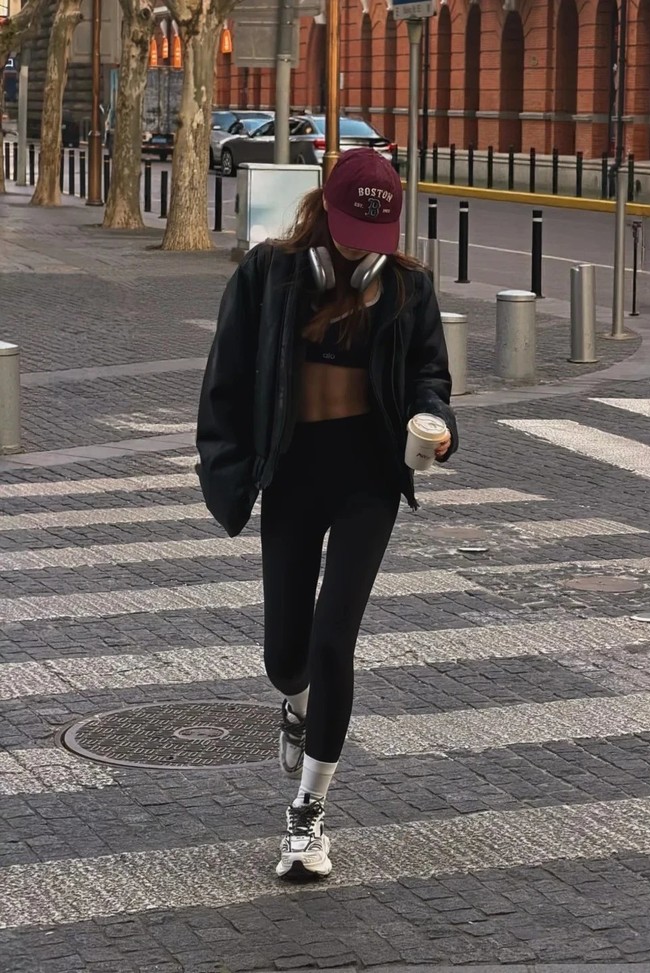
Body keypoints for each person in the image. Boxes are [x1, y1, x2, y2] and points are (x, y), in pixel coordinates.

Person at [196, 148, 458, 881]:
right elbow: (226, 376)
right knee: (286, 656)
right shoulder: (270, 274)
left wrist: (437, 424)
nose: (359, 250)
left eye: (373, 237)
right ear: (324, 211)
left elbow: (430, 375)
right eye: (349, 231)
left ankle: (308, 813)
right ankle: (298, 703)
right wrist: (227, 467)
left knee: (335, 637)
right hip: (293, 473)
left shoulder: (406, 286)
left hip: (368, 480)